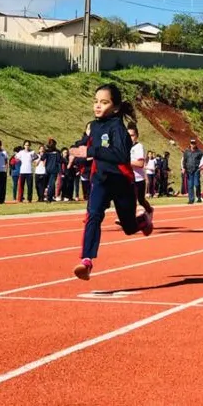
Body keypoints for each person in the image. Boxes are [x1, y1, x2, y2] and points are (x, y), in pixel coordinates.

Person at [70, 84, 154, 281]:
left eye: (104, 102)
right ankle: (87, 261)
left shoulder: (118, 129)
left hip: (121, 181)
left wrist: (91, 152)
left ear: (116, 107)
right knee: (93, 216)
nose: (98, 106)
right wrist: (77, 150)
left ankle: (141, 220)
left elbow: (120, 155)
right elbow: (85, 143)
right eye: (96, 101)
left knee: (129, 228)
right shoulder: (93, 126)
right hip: (100, 180)